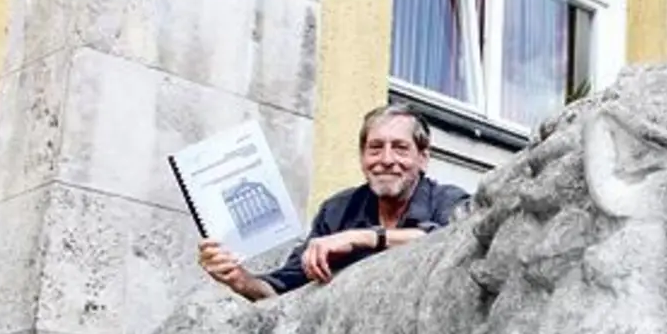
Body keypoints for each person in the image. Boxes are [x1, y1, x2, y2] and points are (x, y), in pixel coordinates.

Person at [197, 104, 469, 300]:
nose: (386, 159)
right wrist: (240, 280)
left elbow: (451, 242)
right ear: (362, 157)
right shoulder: (337, 210)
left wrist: (363, 238)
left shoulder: (450, 200)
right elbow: (285, 289)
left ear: (423, 158)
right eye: (375, 148)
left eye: (400, 148)